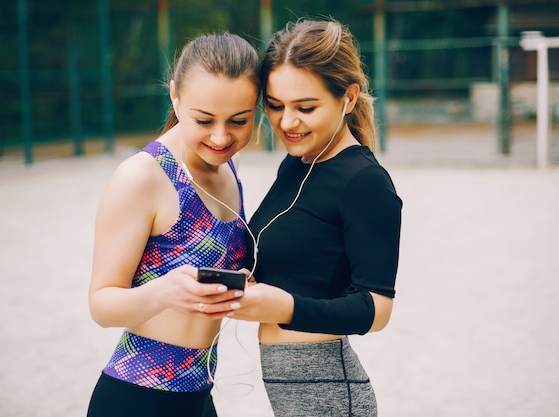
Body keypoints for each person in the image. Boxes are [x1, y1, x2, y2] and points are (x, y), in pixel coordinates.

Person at [229, 19, 402, 416]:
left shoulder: (365, 181)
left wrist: (286, 308)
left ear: (349, 97)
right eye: (275, 106)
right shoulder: (297, 164)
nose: (287, 123)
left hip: (330, 394)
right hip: (289, 391)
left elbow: (377, 309)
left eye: (305, 108)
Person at [86, 32, 260, 417]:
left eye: (239, 120)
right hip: (137, 397)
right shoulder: (141, 176)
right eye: (203, 120)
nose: (220, 136)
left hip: (200, 396)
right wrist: (162, 293)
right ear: (174, 98)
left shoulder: (227, 166)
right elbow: (101, 306)